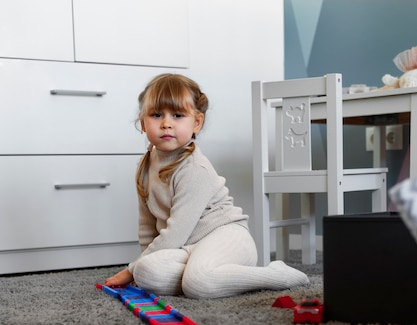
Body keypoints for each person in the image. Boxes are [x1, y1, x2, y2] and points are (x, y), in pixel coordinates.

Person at [104, 73, 309, 298]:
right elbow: (147, 228)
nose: (166, 123)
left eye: (178, 115)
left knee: (197, 283)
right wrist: (143, 264)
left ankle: (275, 275)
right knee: (146, 272)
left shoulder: (194, 169)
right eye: (156, 115)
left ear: (197, 123)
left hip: (227, 238)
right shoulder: (145, 168)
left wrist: (128, 270)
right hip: (186, 248)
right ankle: (205, 275)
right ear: (143, 122)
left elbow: (174, 233)